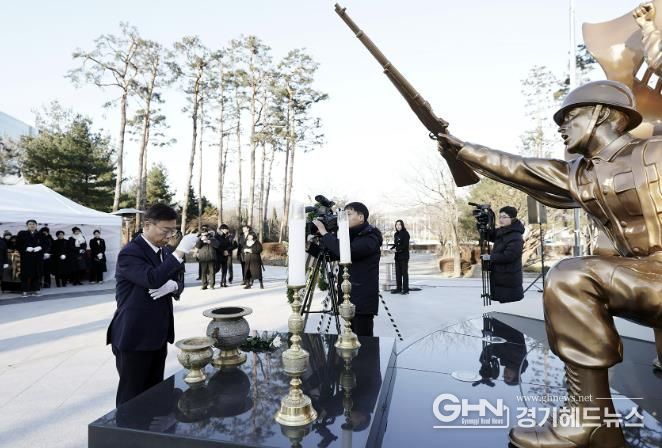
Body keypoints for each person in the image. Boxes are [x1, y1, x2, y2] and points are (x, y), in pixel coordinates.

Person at [437, 79, 662, 447]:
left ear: (602, 114)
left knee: (572, 276)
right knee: (573, 276)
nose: (561, 126)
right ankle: (592, 422)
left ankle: (590, 421)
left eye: (570, 116)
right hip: (645, 280)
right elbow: (520, 167)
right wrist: (463, 150)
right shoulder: (582, 173)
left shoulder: (656, 151)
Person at [106, 203, 198, 407]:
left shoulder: (164, 251)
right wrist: (180, 252)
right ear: (147, 225)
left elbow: (177, 279)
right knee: (132, 397)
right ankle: (128, 427)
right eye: (165, 230)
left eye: (173, 231)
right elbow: (152, 278)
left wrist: (174, 286)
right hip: (134, 336)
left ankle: (151, 424)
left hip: (158, 334)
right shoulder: (130, 253)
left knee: (155, 392)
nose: (169, 236)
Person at [310, 202, 382, 336]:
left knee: (363, 339)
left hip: (362, 299)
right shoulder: (350, 236)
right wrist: (309, 246)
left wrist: (325, 233)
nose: (343, 218)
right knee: (349, 338)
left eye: (348, 214)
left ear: (361, 217)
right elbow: (332, 255)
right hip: (349, 297)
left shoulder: (370, 237)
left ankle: (365, 351)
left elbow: (348, 252)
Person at [481, 206, 525, 303]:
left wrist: (490, 257)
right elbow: (488, 235)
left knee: (508, 307)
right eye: (500, 217)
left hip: (508, 279)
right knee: (501, 306)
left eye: (504, 217)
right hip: (501, 278)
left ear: (513, 218)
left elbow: (509, 256)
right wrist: (481, 225)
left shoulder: (516, 236)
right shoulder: (502, 231)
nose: (501, 219)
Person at [15, 219, 45, 297]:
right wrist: (25, 248)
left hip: (37, 258)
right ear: (27, 226)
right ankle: (24, 290)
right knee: (25, 274)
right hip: (26, 258)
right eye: (30, 224)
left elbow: (46, 244)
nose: (32, 225)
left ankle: (36, 289)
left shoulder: (41, 234)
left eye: (33, 224)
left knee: (37, 273)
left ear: (36, 225)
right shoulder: (22, 233)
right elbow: (17, 245)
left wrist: (40, 247)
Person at [389, 219, 410, 295]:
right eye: (396, 225)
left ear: (402, 225)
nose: (398, 226)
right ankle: (398, 288)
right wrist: (392, 248)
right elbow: (396, 244)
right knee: (398, 273)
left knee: (404, 273)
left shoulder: (406, 234)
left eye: (399, 224)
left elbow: (405, 245)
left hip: (404, 256)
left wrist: (397, 249)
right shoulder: (396, 234)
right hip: (397, 257)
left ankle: (406, 289)